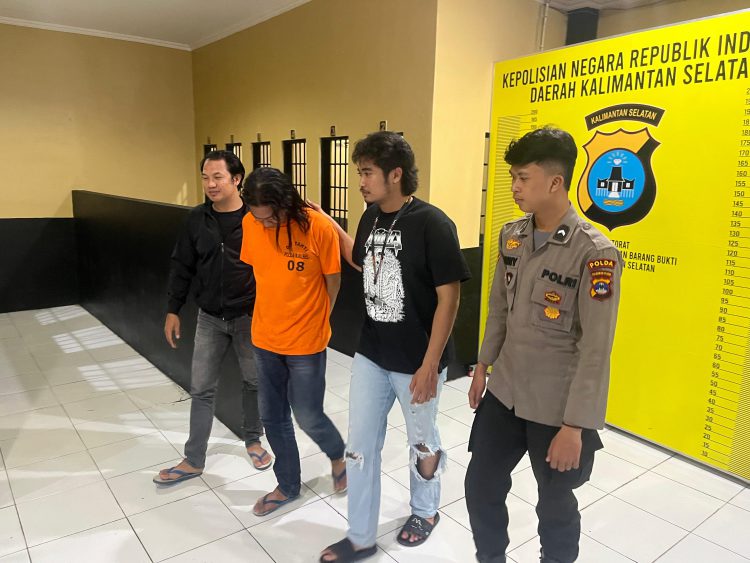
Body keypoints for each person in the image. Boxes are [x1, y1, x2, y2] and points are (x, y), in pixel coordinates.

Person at [465, 127, 622, 563]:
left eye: (523, 178)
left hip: (556, 407)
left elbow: (596, 348)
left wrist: (575, 427)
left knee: (554, 506)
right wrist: (482, 366)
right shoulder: (511, 235)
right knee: (480, 486)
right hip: (505, 391)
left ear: (555, 182)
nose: (514, 187)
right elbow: (499, 307)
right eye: (512, 177)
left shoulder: (594, 252)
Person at [317, 131, 471, 563]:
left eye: (367, 173)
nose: (361, 182)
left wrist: (430, 365)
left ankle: (425, 510)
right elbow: (362, 260)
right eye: (359, 172)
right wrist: (329, 224)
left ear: (396, 174)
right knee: (360, 446)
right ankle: (360, 537)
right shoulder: (370, 216)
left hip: (418, 359)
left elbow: (449, 298)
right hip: (372, 352)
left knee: (422, 443)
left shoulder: (433, 224)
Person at [154, 150, 271, 486]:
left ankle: (253, 439)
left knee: (254, 381)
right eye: (205, 177)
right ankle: (194, 459)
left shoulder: (256, 218)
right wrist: (173, 309)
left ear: (237, 179)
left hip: (249, 316)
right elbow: (182, 265)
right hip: (209, 318)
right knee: (202, 388)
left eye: (217, 177)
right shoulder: (197, 219)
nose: (210, 184)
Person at [239, 167, 347, 517]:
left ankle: (337, 454)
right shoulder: (251, 224)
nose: (265, 224)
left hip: (306, 342)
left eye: (270, 218)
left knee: (307, 414)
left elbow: (333, 280)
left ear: (286, 203)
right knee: (272, 417)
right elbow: (263, 274)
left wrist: (321, 317)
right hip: (265, 337)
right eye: (259, 218)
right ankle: (287, 485)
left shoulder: (318, 227)